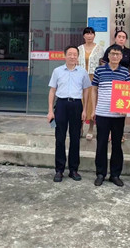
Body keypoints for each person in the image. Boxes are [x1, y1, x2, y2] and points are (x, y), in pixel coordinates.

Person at [47, 45, 91, 183]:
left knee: (75, 138)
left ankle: (73, 169)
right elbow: (52, 91)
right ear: (64, 55)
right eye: (70, 54)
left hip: (76, 105)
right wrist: (50, 111)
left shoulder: (83, 72)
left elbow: (86, 91)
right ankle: (59, 170)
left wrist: (85, 110)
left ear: (78, 56)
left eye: (75, 54)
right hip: (61, 105)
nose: (72, 57)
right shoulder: (57, 71)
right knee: (60, 138)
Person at [91, 44, 130, 187]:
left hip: (118, 115)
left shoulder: (125, 72)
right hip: (102, 113)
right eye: (112, 54)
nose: (115, 56)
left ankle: (115, 175)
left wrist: (125, 108)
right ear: (108, 55)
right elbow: (94, 90)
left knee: (117, 145)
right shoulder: (99, 70)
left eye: (117, 54)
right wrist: (93, 109)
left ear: (121, 56)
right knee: (101, 144)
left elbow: (128, 92)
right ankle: (100, 174)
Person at [78, 27, 105, 141]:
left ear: (94, 35)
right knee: (80, 103)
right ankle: (80, 127)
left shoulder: (100, 49)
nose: (89, 36)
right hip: (81, 78)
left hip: (94, 78)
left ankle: (90, 128)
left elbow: (102, 65)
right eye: (87, 34)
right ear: (83, 36)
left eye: (91, 34)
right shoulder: (79, 49)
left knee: (92, 103)